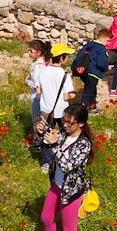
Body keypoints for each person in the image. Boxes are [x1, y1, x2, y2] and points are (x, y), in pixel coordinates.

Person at [28, 104, 95, 231]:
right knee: (46, 217)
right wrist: (40, 133)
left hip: (71, 192)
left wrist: (55, 144)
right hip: (56, 186)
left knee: (69, 230)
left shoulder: (83, 145)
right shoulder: (63, 135)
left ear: (80, 124)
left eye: (69, 123)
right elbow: (37, 147)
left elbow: (66, 165)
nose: (64, 125)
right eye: (64, 121)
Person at [36, 43, 77, 172]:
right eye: (67, 56)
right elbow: (66, 96)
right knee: (65, 133)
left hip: (46, 110)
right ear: (61, 58)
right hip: (61, 111)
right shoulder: (64, 75)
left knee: (47, 135)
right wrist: (72, 95)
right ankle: (62, 157)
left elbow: (38, 91)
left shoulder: (43, 71)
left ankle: (46, 163)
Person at [72, 28, 111, 114]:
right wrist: (106, 67)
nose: (108, 43)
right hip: (94, 73)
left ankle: (93, 107)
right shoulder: (101, 49)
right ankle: (81, 111)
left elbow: (79, 57)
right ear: (102, 38)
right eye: (108, 41)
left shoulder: (88, 45)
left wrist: (74, 68)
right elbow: (101, 63)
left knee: (92, 89)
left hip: (84, 72)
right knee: (88, 92)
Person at [25, 39, 52, 124]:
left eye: (31, 51)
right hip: (40, 96)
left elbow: (37, 83)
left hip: (37, 96)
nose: (29, 53)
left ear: (38, 52)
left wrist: (27, 81)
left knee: (37, 120)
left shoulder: (38, 66)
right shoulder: (39, 63)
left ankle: (37, 135)